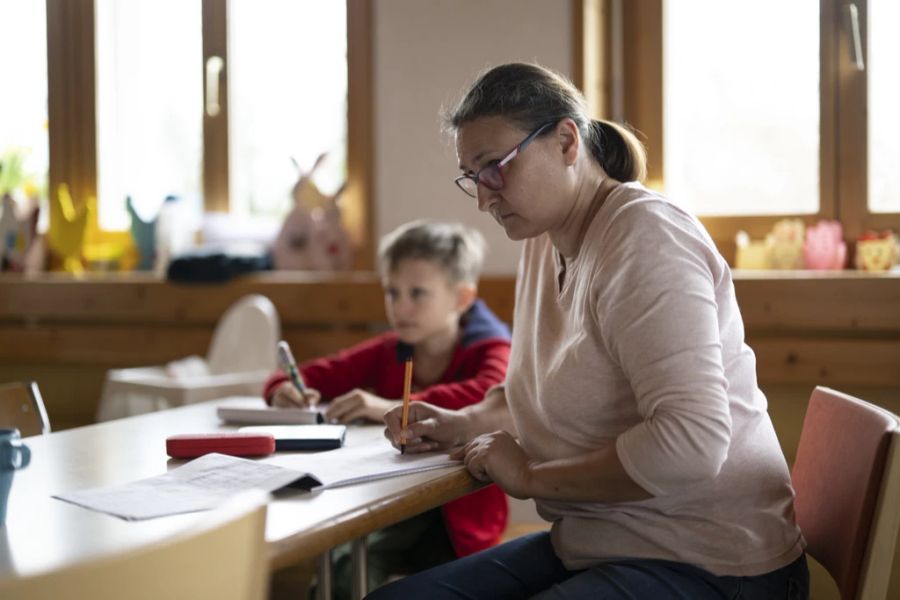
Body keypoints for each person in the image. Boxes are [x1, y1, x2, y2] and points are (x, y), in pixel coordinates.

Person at [375, 63, 809, 599]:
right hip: (601, 543)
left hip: (711, 561)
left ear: (565, 141)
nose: (485, 198)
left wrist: (530, 479)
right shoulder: (543, 235)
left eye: (495, 167)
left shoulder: (646, 238)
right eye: (472, 177)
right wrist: (461, 423)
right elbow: (541, 400)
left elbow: (693, 441)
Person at [262, 219, 511, 598]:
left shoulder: (493, 348)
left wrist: (386, 406)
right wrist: (282, 388)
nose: (401, 307)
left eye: (417, 293)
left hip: (461, 518)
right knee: (342, 570)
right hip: (390, 504)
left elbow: (487, 394)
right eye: (392, 293)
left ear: (461, 299)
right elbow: (310, 375)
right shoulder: (390, 348)